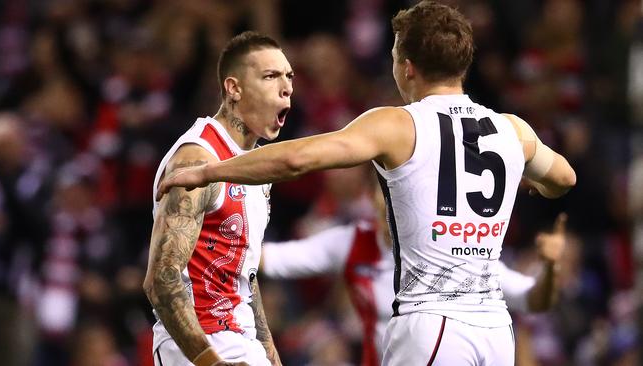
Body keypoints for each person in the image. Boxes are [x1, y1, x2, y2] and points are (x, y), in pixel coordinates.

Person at [157, 2, 577, 365]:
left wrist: (211, 171)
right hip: (496, 329)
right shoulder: (512, 130)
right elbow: (563, 178)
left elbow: (297, 158)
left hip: (432, 322)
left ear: (406, 67)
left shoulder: (398, 123)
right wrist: (529, 180)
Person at [261, 184, 568, 365]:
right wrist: (221, 224)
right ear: (371, 197)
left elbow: (535, 300)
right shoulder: (351, 242)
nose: (390, 206)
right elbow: (272, 259)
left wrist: (551, 267)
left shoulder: (454, 248)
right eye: (384, 193)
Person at [143, 31, 293, 366]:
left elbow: (245, 277)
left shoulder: (257, 168)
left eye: (289, 76)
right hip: (197, 343)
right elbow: (161, 280)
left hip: (242, 339)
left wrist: (271, 356)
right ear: (234, 88)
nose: (286, 87)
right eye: (270, 76)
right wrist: (210, 362)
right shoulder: (197, 160)